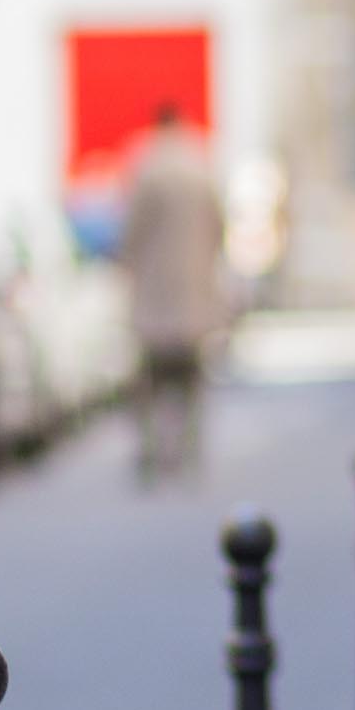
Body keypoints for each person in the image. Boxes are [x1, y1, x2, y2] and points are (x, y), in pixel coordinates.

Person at [120, 104, 225, 479]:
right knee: (192, 382)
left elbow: (131, 232)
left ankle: (151, 454)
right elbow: (218, 226)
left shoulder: (146, 166)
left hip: (154, 295)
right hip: (194, 295)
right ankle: (190, 450)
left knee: (148, 383)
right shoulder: (200, 163)